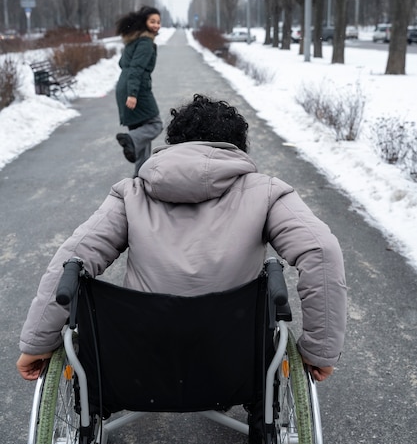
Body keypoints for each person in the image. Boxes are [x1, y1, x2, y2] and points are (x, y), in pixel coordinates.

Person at [17, 94, 347, 384]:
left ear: (173, 144)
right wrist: (319, 351)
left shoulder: (131, 194)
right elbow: (320, 250)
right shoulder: (268, 193)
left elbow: (73, 258)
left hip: (138, 352)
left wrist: (37, 344)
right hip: (236, 355)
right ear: (237, 147)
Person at [115, 6, 163, 177]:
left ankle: (140, 176)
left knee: (142, 135)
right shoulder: (145, 43)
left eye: (158, 22)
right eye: (152, 21)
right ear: (144, 23)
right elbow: (136, 68)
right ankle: (130, 140)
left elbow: (122, 64)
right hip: (136, 89)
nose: (156, 25)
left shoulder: (133, 41)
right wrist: (133, 94)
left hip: (124, 85)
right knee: (155, 124)